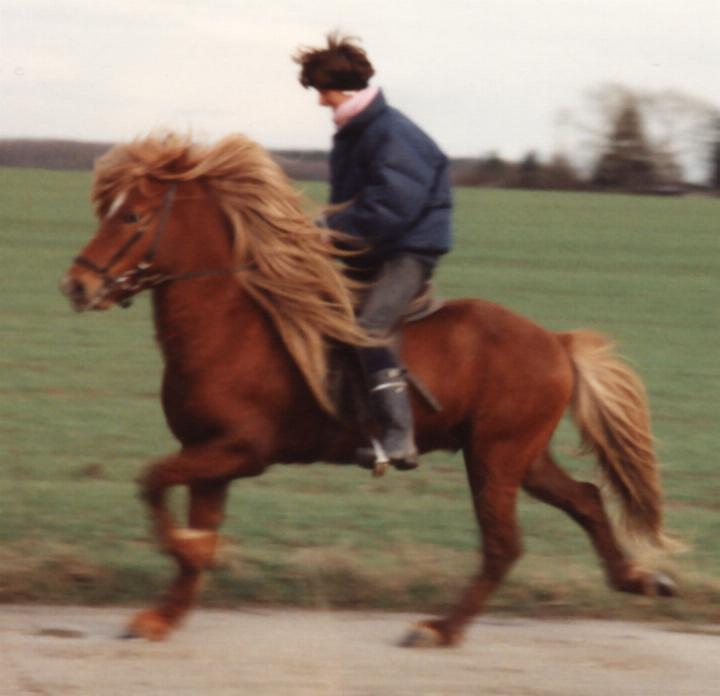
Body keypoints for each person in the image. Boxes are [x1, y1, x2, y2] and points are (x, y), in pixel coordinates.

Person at [293, 33, 453, 471]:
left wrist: (331, 230)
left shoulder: (391, 133)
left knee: (370, 326)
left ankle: (400, 436)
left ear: (340, 88)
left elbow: (391, 207)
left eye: (321, 92)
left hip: (408, 252)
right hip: (374, 246)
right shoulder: (359, 131)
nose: (320, 102)